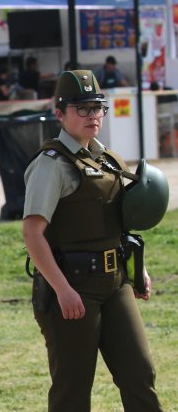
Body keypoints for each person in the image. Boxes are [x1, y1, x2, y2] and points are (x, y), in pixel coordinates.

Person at [22, 70, 162, 411]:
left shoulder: (107, 158)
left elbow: (118, 224)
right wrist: (63, 290)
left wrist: (135, 269)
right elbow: (32, 233)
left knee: (139, 374)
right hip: (73, 286)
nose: (92, 116)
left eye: (98, 107)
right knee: (73, 388)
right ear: (60, 112)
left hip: (115, 285)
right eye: (82, 108)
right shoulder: (51, 165)